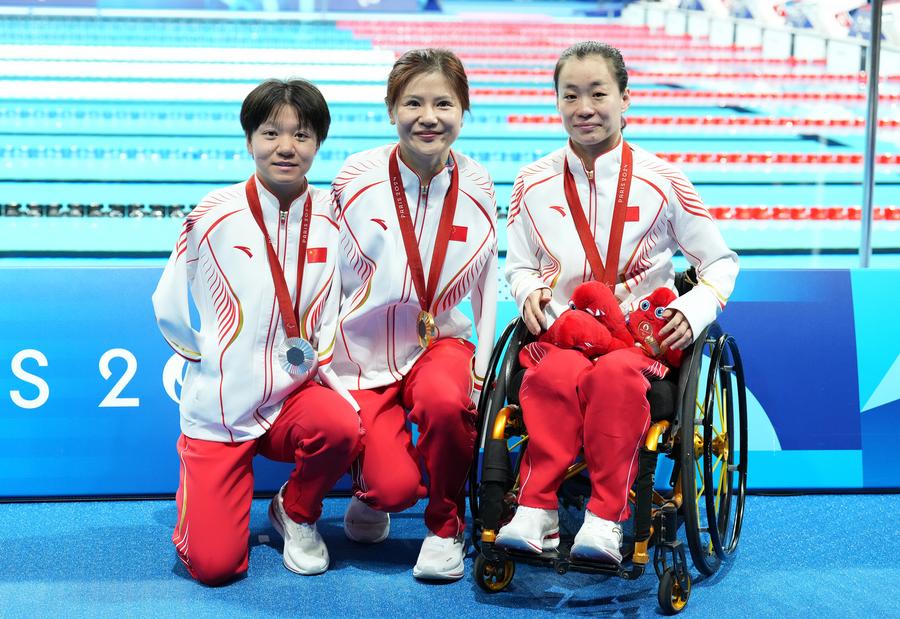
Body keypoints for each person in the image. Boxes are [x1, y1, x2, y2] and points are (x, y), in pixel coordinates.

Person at [496, 41, 739, 563]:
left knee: (613, 377)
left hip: (636, 344)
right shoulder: (531, 183)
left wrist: (693, 309)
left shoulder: (663, 181)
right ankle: (537, 510)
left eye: (598, 93)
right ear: (556, 101)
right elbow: (517, 265)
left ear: (625, 98)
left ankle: (605, 518)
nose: (584, 108)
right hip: (566, 336)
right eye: (570, 95)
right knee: (551, 376)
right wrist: (527, 290)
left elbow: (721, 263)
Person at [152, 78, 362, 585]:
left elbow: (354, 293)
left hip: (293, 396)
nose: (286, 147)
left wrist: (323, 359)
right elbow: (168, 300)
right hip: (223, 407)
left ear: (318, 143)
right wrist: (208, 360)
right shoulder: (214, 214)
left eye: (302, 135)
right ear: (249, 140)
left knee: (342, 427)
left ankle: (296, 510)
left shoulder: (335, 217)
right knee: (214, 567)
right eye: (271, 133)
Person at [329, 48, 498, 581]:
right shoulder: (356, 177)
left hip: (440, 341)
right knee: (392, 488)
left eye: (443, 104)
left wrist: (483, 363)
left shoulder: (479, 183)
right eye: (413, 103)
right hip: (363, 351)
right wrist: (323, 354)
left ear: (463, 111)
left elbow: (488, 279)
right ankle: (374, 489)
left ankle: (446, 527)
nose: (429, 117)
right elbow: (324, 271)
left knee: (448, 403)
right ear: (391, 110)